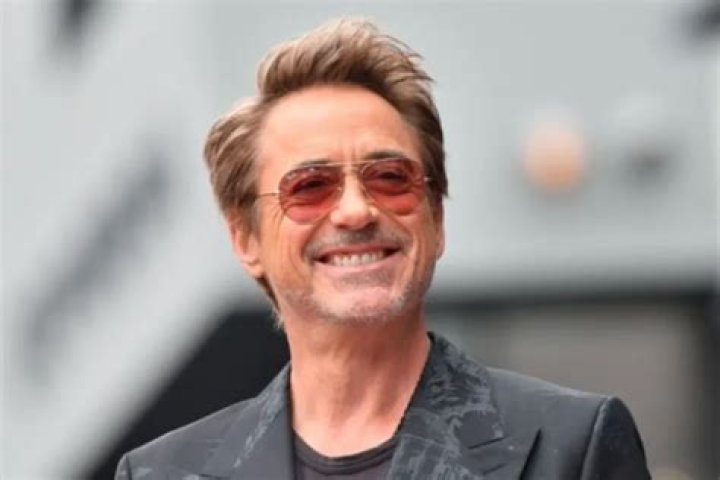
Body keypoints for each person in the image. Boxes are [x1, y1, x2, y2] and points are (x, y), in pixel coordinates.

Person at [115, 18, 651, 479]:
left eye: (391, 178)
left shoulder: (571, 444)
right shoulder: (161, 473)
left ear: (436, 218)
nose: (356, 210)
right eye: (310, 186)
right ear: (246, 239)